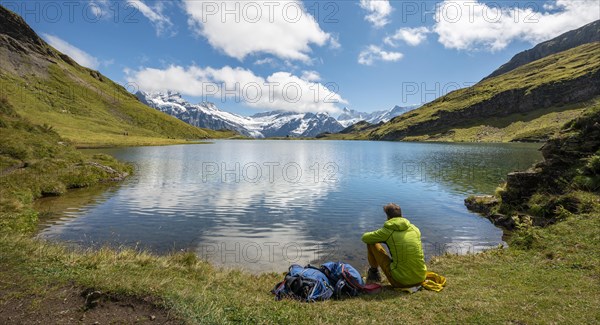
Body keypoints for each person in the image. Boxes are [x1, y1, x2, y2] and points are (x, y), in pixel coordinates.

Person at [361, 203, 427, 288]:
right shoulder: (415, 229)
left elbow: (365, 238)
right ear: (401, 215)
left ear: (388, 217)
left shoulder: (388, 231)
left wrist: (381, 237)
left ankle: (374, 273)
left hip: (401, 282)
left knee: (371, 242)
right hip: (421, 277)